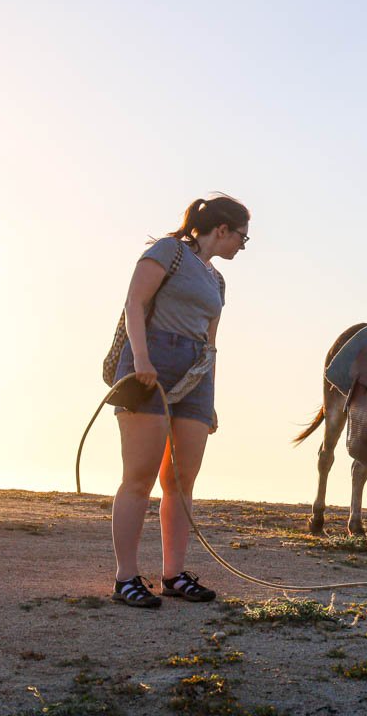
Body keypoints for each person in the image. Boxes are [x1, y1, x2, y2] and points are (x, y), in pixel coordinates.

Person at [109, 195, 250, 607]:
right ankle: (125, 578)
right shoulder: (168, 251)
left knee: (182, 479)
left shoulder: (217, 281)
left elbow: (212, 342)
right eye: (242, 237)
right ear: (221, 229)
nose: (243, 245)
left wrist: (211, 397)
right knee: (140, 476)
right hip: (152, 362)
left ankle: (173, 575)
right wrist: (141, 360)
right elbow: (134, 303)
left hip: (196, 374)